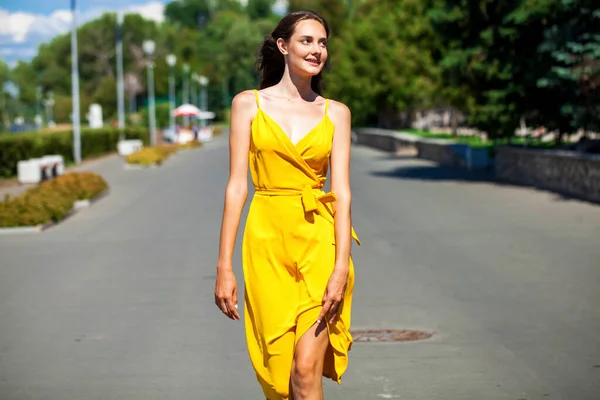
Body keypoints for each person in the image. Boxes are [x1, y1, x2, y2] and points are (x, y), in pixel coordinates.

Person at [214, 9, 360, 400]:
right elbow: (235, 188)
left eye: (323, 42)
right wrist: (223, 265)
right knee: (281, 375)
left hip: (319, 243)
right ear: (283, 46)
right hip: (266, 245)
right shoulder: (248, 105)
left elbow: (342, 193)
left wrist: (341, 266)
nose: (317, 50)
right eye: (307, 40)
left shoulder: (337, 114)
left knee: (305, 369)